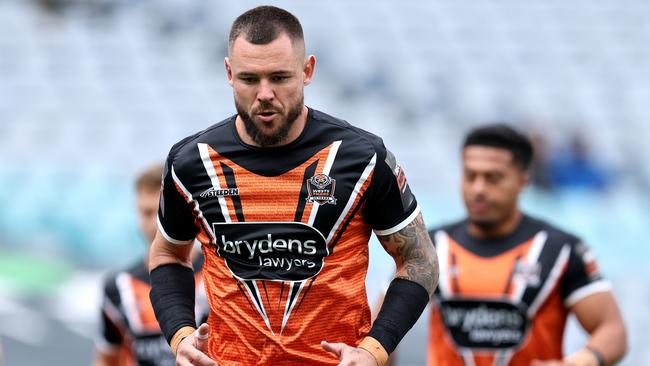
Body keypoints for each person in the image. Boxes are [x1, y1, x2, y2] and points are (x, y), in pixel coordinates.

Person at [147, 5, 439, 366]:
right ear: (228, 73)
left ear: (307, 70)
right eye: (250, 79)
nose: (265, 93)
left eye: (280, 77)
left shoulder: (363, 157)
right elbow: (167, 254)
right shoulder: (191, 162)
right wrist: (180, 336)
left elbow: (418, 259)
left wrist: (373, 350)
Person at [427, 125, 627, 366]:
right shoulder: (429, 247)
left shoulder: (561, 250)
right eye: (470, 176)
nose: (478, 189)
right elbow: (383, 329)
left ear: (523, 181)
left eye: (493, 178)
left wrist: (578, 362)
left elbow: (612, 329)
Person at [94, 164, 208, 366]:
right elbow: (107, 360)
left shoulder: (218, 276)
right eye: (147, 213)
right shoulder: (118, 287)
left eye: (161, 212)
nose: (156, 222)